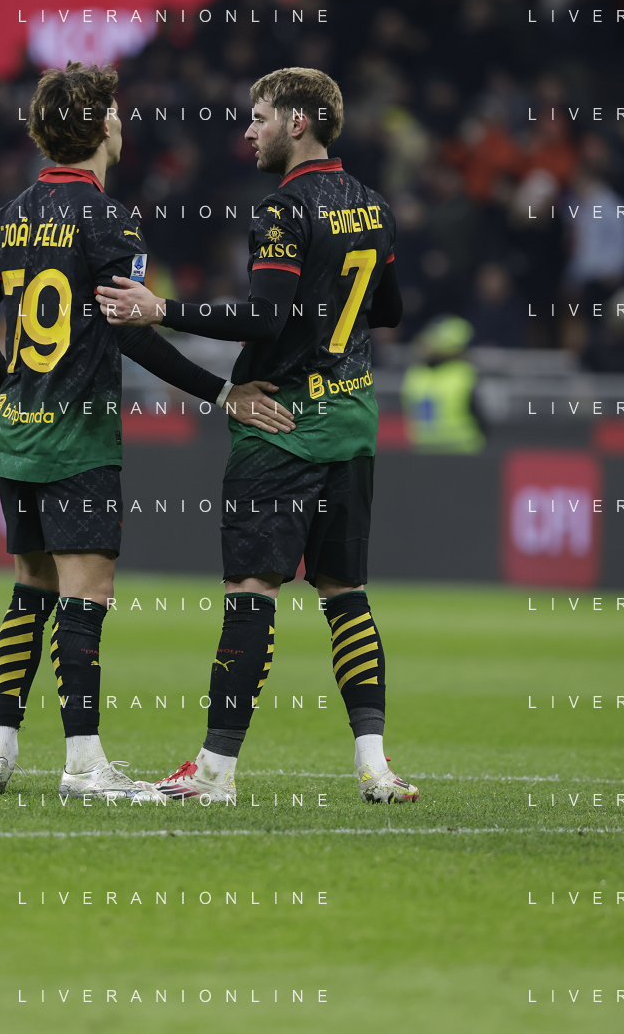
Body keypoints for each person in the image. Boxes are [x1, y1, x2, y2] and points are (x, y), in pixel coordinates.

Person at [0, 61, 295, 802]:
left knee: (30, 588)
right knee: (87, 593)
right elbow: (131, 330)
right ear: (99, 126)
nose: (119, 118)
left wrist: (10, 383)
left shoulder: (10, 214)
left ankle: (0, 753)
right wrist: (221, 393)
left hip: (16, 432)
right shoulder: (109, 219)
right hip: (77, 437)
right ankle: (83, 764)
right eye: (112, 109)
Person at [97, 67, 418, 805]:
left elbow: (265, 318)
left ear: (297, 123)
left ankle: (215, 771)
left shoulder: (283, 209)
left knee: (250, 590)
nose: (248, 130)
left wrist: (161, 309)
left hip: (279, 422)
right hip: (352, 418)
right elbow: (389, 310)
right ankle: (375, 768)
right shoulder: (374, 206)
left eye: (260, 116)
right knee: (346, 594)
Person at [400, 316, 485, 453]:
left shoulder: (414, 375)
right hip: (463, 449)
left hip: (423, 449)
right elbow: (481, 417)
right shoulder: (464, 374)